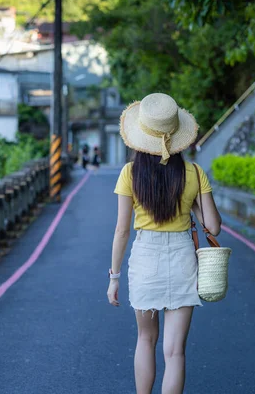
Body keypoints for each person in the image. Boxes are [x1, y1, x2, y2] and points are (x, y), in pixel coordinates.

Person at [107, 93, 222, 394]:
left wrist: (114, 277)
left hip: (145, 259)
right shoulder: (194, 173)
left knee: (146, 340)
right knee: (175, 352)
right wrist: (194, 205)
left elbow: (122, 231)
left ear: (140, 135)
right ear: (178, 136)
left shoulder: (130, 174)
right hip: (183, 259)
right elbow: (213, 227)